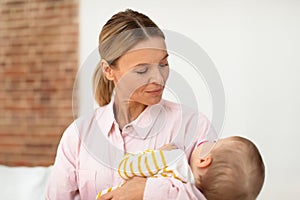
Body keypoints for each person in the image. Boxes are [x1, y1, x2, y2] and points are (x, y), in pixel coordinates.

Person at [46, 9, 217, 200]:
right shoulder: (78, 135)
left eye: (163, 64)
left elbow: (217, 195)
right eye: (142, 70)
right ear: (108, 70)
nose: (159, 79)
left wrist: (148, 191)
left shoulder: (193, 126)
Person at [96, 136, 265, 200]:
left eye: (214, 142)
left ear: (204, 160)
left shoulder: (174, 161)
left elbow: (125, 169)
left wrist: (160, 153)